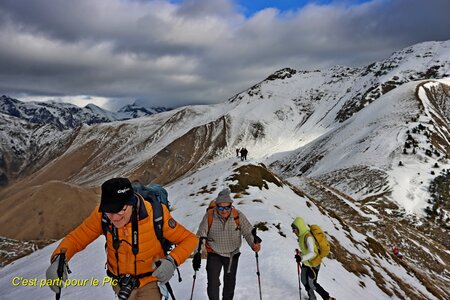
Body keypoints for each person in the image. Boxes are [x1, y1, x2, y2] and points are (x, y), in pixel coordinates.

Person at [45, 177, 198, 300]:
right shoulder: (102, 216)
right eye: (109, 212)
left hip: (151, 282)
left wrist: (172, 262)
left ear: (131, 203)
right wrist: (59, 258)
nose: (114, 218)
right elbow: (77, 238)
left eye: (120, 211)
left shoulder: (156, 214)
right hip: (121, 284)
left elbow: (190, 239)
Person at [193, 188, 261, 300]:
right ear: (216, 206)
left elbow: (248, 232)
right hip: (214, 253)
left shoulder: (237, 215)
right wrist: (197, 254)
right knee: (212, 285)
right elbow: (201, 236)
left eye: (227, 207)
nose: (224, 210)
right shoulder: (209, 216)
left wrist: (253, 244)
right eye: (220, 207)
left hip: (232, 255)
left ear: (231, 205)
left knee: (229, 285)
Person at [292, 217, 335, 300]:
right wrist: (300, 253)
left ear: (299, 228)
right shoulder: (301, 237)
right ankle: (312, 298)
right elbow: (306, 251)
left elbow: (313, 252)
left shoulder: (308, 237)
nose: (293, 232)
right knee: (304, 280)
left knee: (313, 284)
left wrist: (301, 258)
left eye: (294, 229)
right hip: (306, 263)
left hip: (314, 264)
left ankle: (328, 298)